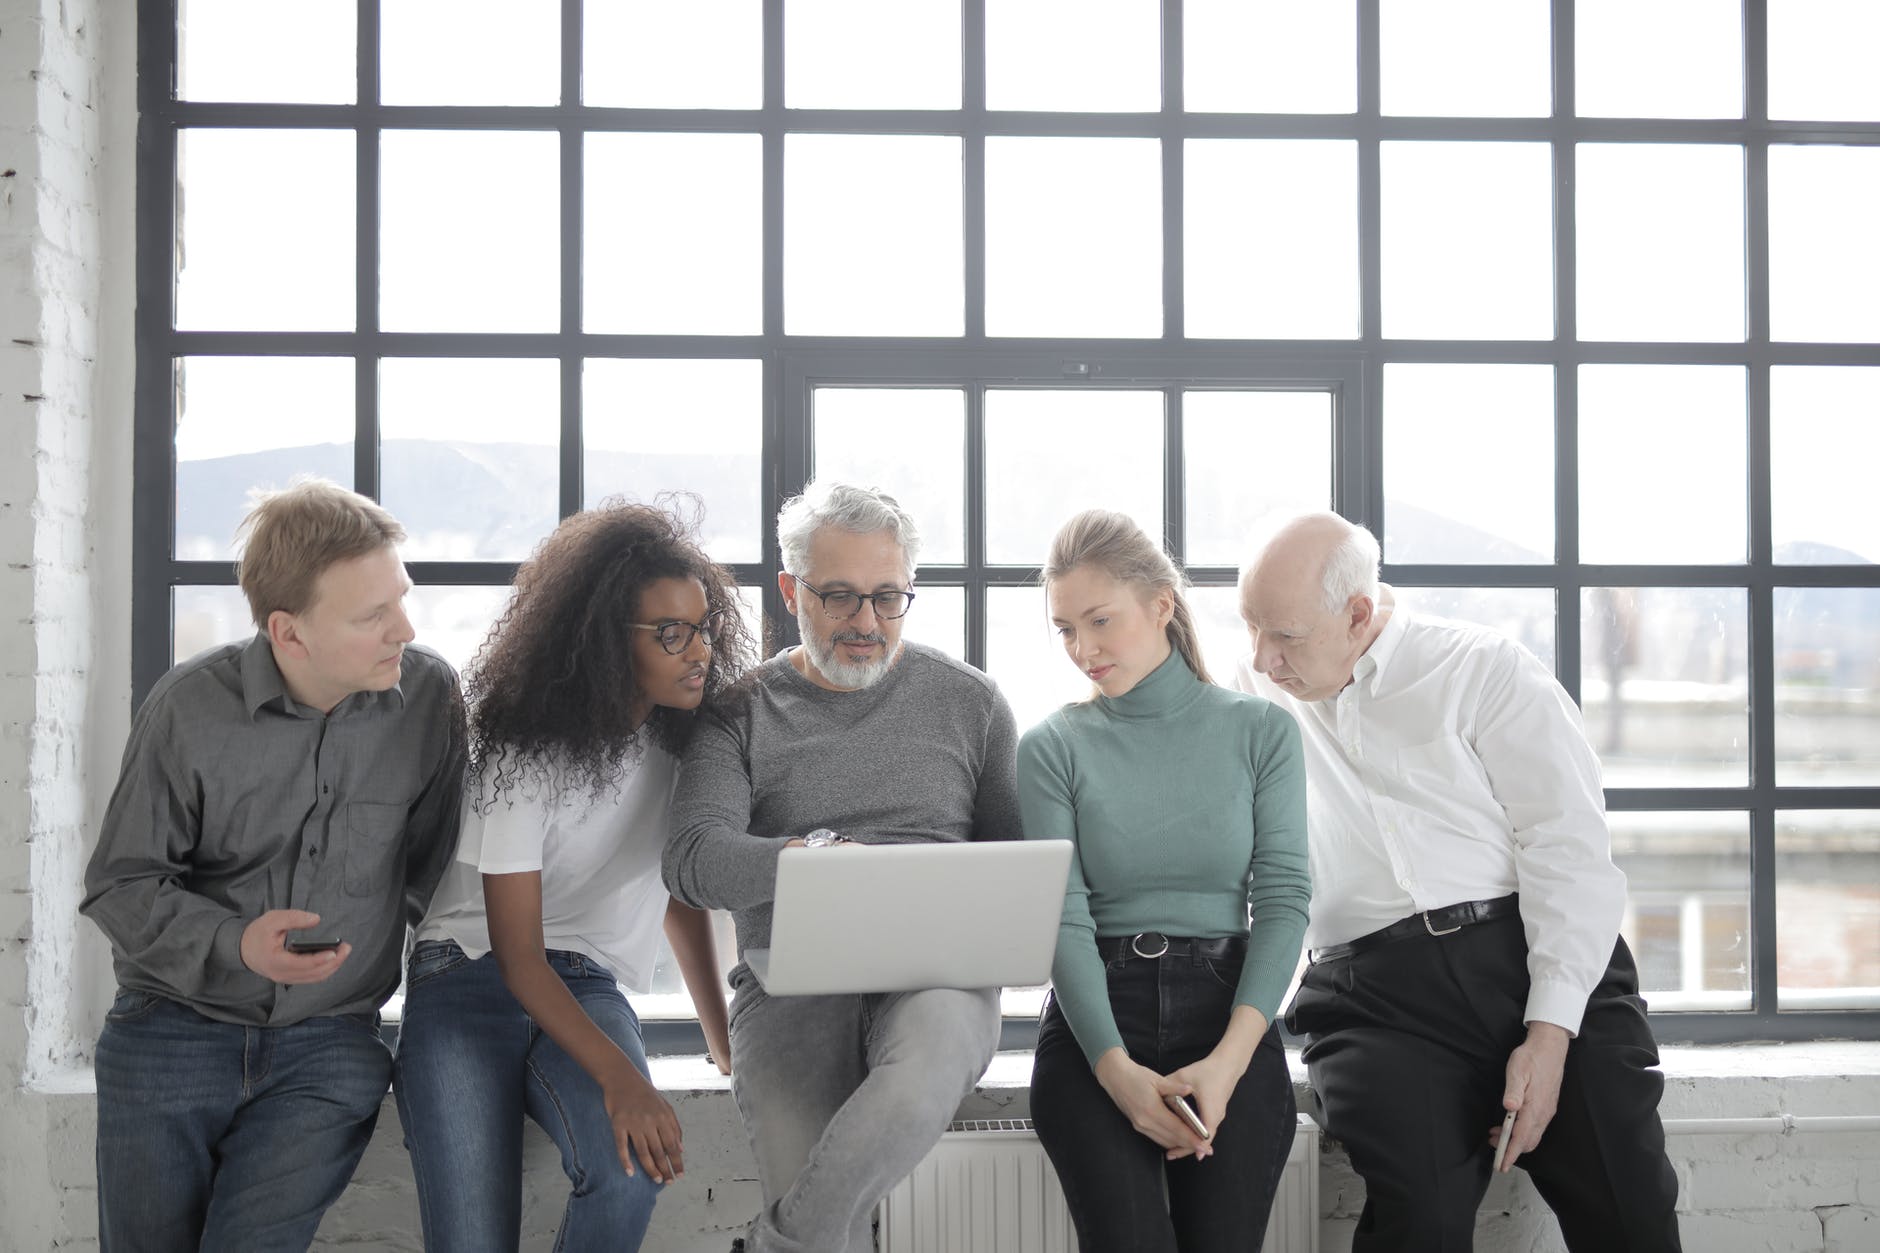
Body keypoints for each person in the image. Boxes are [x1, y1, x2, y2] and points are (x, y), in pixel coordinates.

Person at [1235, 512, 1682, 1253]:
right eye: (1251, 628)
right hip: (1374, 1000)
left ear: (1356, 614)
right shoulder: (1256, 687)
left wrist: (1548, 1035)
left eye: (1283, 634)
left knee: (1629, 1207)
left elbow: (1568, 847)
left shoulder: (1484, 670)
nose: (1261, 657)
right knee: (1423, 1218)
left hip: (1528, 953)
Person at [81, 478, 466, 1253]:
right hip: (170, 1034)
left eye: (401, 597)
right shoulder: (188, 708)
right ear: (289, 633)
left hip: (328, 1048)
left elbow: (432, 874)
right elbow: (119, 885)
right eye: (372, 615)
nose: (405, 627)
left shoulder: (429, 698)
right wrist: (237, 943)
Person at [663, 479, 1021, 1253]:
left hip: (940, 978)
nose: (866, 622)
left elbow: (1019, 867)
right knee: (828, 1221)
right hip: (790, 982)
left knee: (921, 1069)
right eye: (840, 597)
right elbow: (692, 861)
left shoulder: (972, 703)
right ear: (791, 590)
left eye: (888, 598)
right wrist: (817, 861)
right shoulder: (739, 712)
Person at [392, 501, 752, 1252]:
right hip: (466, 978)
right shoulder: (523, 744)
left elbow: (676, 896)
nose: (700, 652)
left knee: (631, 1173)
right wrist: (623, 1078)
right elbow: (518, 955)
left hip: (586, 983)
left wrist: (724, 1041)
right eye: (670, 632)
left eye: (703, 625)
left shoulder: (686, 742)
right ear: (605, 643)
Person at [1017, 510, 1310, 1253]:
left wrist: (1227, 1063)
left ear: (1161, 605)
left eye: (1099, 619)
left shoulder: (1262, 732)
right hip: (1095, 1026)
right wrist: (1117, 1074)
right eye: (1065, 629)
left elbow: (1282, 901)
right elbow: (1061, 919)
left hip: (1230, 1017)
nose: (1082, 648)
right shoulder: (1051, 747)